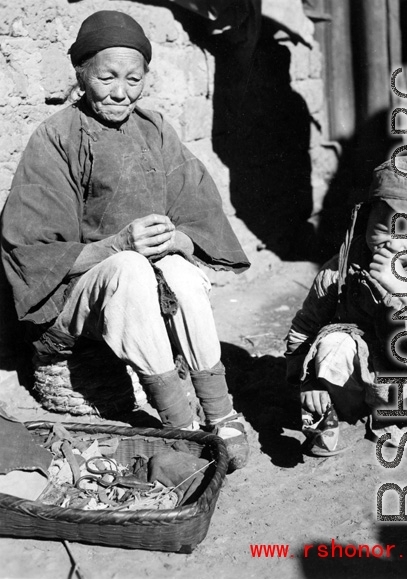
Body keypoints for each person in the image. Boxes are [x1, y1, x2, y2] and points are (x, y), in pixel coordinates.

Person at [0, 10, 250, 471]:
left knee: (179, 270)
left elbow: (199, 214)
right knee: (132, 268)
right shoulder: (54, 138)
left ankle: (220, 411)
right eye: (106, 77)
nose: (120, 92)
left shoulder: (154, 129)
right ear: (81, 74)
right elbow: (32, 252)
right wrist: (117, 246)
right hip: (71, 306)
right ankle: (180, 422)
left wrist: (178, 239)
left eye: (133, 79)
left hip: (144, 300)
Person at [285, 156, 407, 464]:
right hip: (365, 379)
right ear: (365, 218)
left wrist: (403, 292)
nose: (400, 242)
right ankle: (338, 409)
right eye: (388, 226)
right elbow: (304, 327)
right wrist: (308, 382)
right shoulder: (341, 270)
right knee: (332, 343)